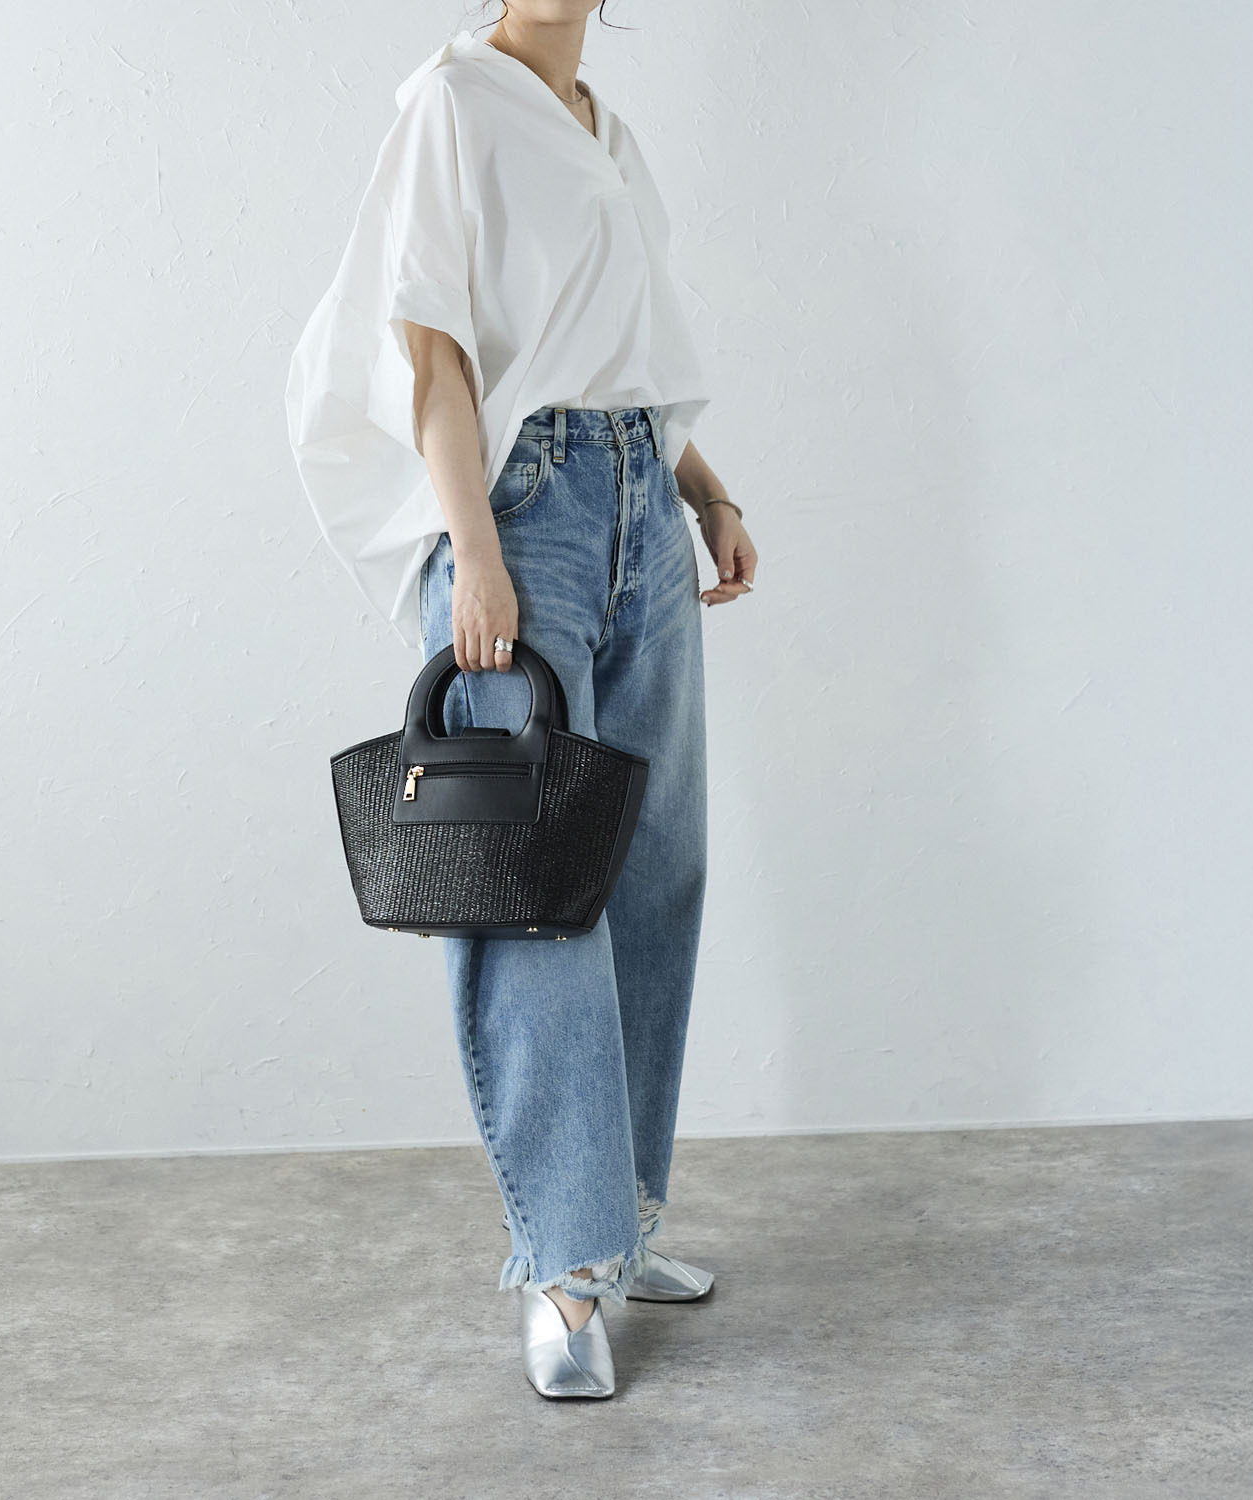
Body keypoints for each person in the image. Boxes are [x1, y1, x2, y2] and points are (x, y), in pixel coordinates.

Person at [286, 3, 757, 1399]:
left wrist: (704, 491)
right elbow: (431, 353)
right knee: (536, 887)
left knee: (655, 867)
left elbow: (615, 355)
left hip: (640, 506)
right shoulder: (453, 103)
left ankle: (624, 1225)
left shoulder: (607, 131)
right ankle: (562, 1263)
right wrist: (476, 550)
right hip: (524, 513)